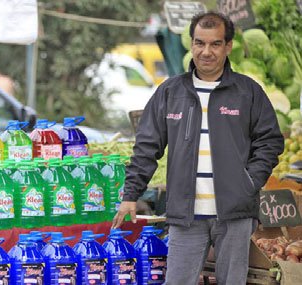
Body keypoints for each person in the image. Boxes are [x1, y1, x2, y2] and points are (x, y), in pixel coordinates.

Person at [112, 11, 284, 285]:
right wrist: (131, 194)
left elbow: (270, 140)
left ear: (228, 46)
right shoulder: (170, 93)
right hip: (185, 216)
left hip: (235, 215)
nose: (206, 51)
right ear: (191, 44)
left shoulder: (248, 92)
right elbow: (146, 146)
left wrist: (249, 181)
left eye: (215, 43)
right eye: (199, 43)